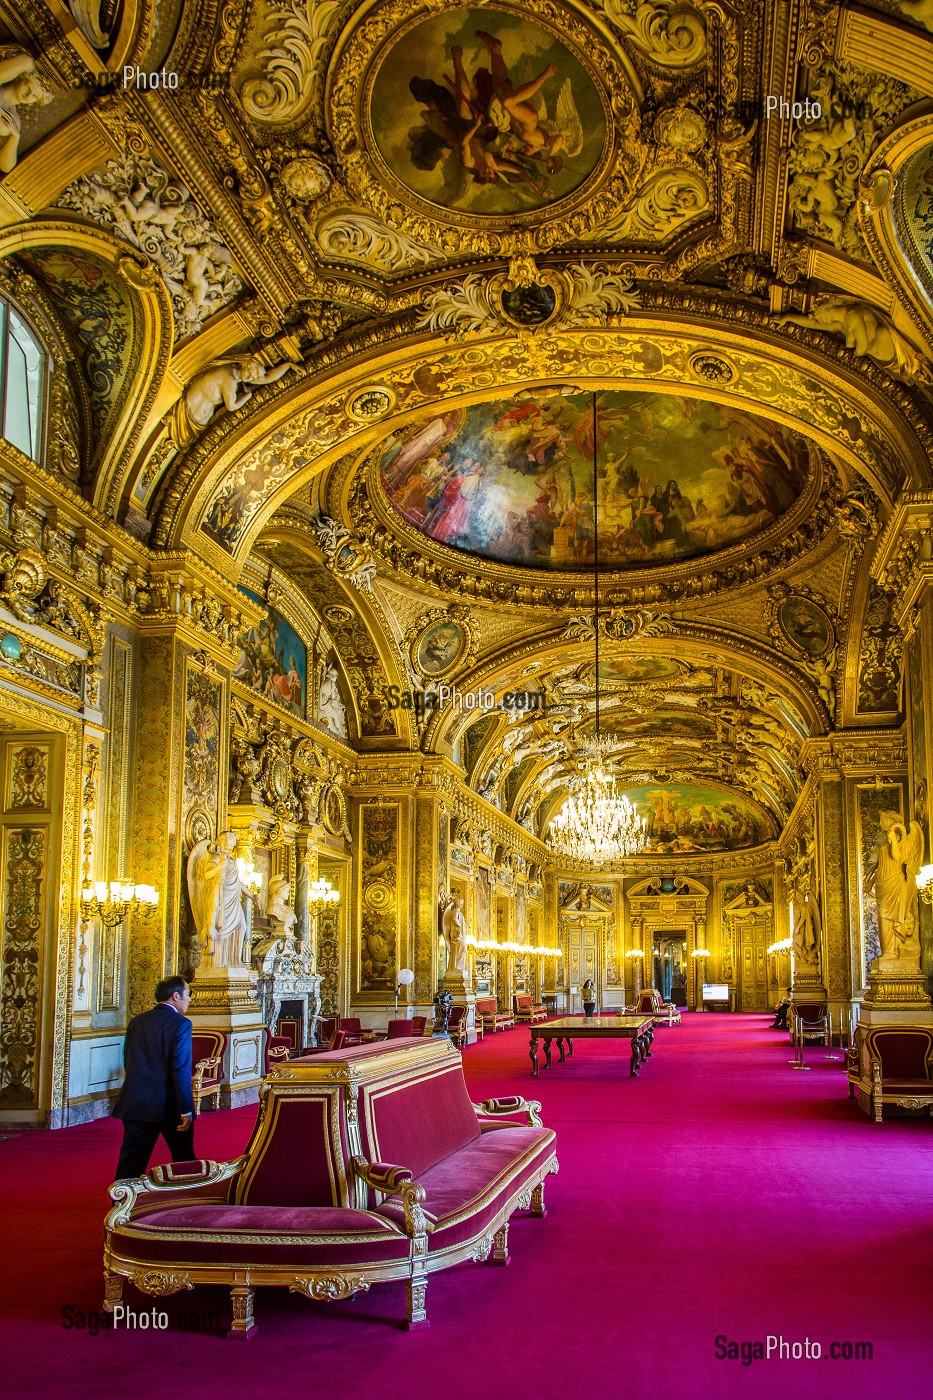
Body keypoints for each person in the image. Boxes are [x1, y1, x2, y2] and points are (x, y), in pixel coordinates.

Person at [112, 976, 195, 1180]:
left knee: (130, 1166)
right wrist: (186, 1108)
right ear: (176, 996)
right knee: (185, 1162)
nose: (190, 999)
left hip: (136, 1103)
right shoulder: (181, 1024)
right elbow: (180, 1069)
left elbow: (129, 1060)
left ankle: (121, 1207)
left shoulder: (137, 1021)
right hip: (170, 1107)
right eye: (188, 994)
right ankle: (192, 1206)